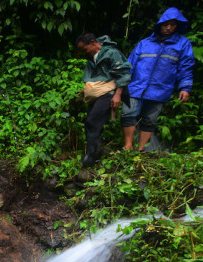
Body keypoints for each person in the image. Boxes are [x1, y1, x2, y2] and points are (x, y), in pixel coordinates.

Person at [121, 7, 194, 152]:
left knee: (149, 120)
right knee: (128, 113)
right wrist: (123, 84)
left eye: (172, 25)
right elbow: (130, 64)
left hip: (160, 88)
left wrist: (185, 88)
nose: (168, 28)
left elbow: (186, 67)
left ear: (177, 26)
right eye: (166, 24)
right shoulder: (145, 43)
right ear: (160, 24)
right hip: (137, 86)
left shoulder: (183, 44)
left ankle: (141, 149)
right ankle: (128, 146)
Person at [75, 33, 131, 167]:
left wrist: (117, 95)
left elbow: (123, 73)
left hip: (109, 92)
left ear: (93, 43)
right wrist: (85, 90)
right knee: (90, 123)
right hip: (98, 94)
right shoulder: (91, 58)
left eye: (84, 49)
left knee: (93, 121)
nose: (84, 53)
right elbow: (96, 77)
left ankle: (91, 156)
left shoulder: (111, 53)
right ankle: (94, 153)